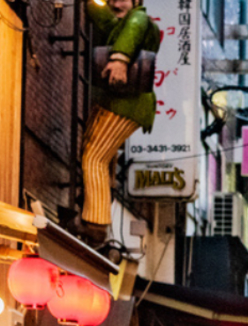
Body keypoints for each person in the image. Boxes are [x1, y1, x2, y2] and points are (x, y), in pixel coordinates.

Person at [80, 0, 162, 240]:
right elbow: (104, 20)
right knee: (98, 155)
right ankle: (100, 202)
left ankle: (96, 223)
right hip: (118, 103)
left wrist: (120, 59)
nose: (116, 2)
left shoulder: (140, 20)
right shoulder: (120, 25)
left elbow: (136, 24)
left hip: (126, 104)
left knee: (94, 157)